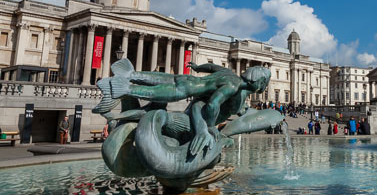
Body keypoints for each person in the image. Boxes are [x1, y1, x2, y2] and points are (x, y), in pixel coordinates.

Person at [95, 59, 270, 156]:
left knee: (163, 79)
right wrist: (208, 127)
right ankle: (124, 88)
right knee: (152, 92)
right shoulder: (232, 87)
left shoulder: (229, 74)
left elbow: (211, 66)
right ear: (258, 83)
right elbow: (213, 104)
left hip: (188, 80)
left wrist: (196, 67)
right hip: (185, 90)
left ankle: (131, 74)